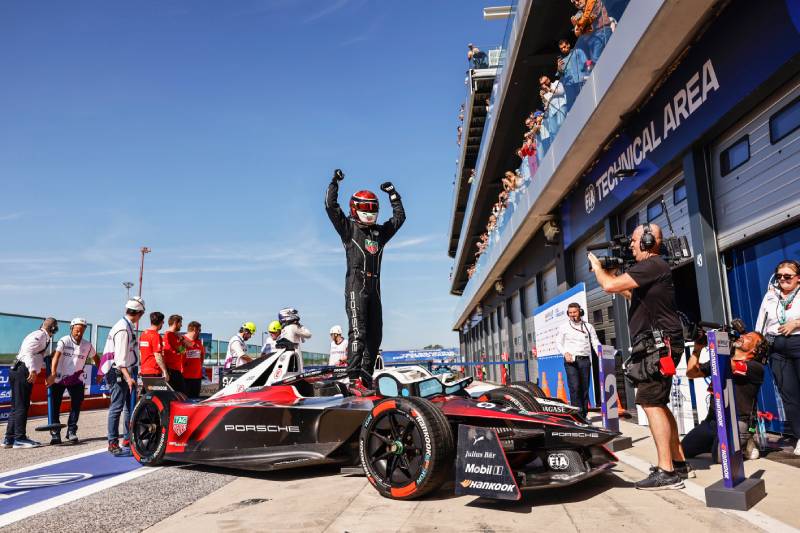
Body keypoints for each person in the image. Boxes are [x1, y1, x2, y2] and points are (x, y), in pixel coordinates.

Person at [588, 223, 688, 490]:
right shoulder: (652, 269)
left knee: (650, 402)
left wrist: (599, 270)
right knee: (660, 403)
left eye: (634, 241)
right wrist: (611, 277)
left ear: (646, 241)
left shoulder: (652, 264)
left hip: (658, 345)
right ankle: (678, 463)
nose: (631, 246)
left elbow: (609, 286)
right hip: (659, 343)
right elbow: (630, 293)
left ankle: (666, 472)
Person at [325, 168, 405, 393]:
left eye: (373, 208)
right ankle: (352, 380)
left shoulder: (380, 233)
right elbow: (331, 207)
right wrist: (335, 183)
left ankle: (366, 378)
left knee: (375, 335)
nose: (370, 212)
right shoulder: (348, 229)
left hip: (375, 290)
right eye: (365, 208)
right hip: (356, 288)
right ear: (355, 208)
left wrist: (394, 196)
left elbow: (399, 219)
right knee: (358, 333)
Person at [682, 331, 766, 461]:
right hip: (713, 421)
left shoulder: (755, 368)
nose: (742, 337)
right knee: (683, 450)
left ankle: (745, 442)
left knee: (722, 459)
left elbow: (730, 366)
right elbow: (691, 373)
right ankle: (717, 442)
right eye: (743, 335)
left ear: (755, 349)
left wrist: (718, 343)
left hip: (737, 421)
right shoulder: (720, 361)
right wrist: (697, 349)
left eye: (748, 338)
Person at [756, 259, 800, 454]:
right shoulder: (770, 296)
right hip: (777, 350)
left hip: (798, 343)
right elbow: (761, 323)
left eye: (788, 276)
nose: (783, 279)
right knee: (789, 396)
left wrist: (797, 323)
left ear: (798, 278)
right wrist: (757, 343)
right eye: (780, 276)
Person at [3, 317, 59, 448]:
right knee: (22, 405)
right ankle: (20, 438)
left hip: (18, 370)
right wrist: (33, 370)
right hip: (23, 370)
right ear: (54, 329)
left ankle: (9, 438)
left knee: (16, 406)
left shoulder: (41, 336)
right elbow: (28, 352)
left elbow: (37, 354)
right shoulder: (40, 335)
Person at [46, 317, 98, 445]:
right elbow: (56, 357)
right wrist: (52, 374)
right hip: (59, 378)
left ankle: (71, 431)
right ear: (71, 328)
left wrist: (100, 372)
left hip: (76, 379)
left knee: (76, 404)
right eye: (77, 330)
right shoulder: (64, 340)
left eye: (82, 330)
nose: (79, 333)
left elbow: (97, 358)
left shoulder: (87, 345)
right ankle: (55, 433)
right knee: (55, 405)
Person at [104, 297, 145, 456]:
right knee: (117, 407)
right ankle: (113, 443)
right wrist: (129, 378)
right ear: (139, 314)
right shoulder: (122, 329)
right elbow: (120, 360)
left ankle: (127, 438)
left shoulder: (125, 326)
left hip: (125, 370)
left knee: (129, 407)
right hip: (119, 372)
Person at [555, 303, 600, 418]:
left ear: (580, 312)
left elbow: (595, 342)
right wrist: (565, 352)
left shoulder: (588, 327)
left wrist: (601, 355)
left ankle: (584, 415)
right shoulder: (563, 327)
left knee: (584, 388)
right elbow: (558, 343)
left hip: (585, 361)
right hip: (571, 362)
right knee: (575, 388)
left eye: (574, 312)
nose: (572, 315)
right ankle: (577, 416)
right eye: (570, 313)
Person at [556, 39, 588, 111]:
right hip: (571, 86)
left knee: (587, 99)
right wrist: (558, 67)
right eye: (561, 49)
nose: (563, 49)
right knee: (579, 105)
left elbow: (586, 63)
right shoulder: (562, 61)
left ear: (568, 45)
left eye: (564, 47)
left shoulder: (577, 51)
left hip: (582, 81)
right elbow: (560, 75)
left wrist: (587, 76)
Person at [163, 314, 189, 394]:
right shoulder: (169, 335)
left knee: (181, 393)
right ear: (175, 323)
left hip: (176, 369)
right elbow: (181, 351)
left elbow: (187, 346)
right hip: (171, 369)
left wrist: (181, 339)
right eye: (180, 323)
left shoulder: (176, 335)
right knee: (181, 393)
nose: (181, 325)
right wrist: (181, 349)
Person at [139, 312, 169, 380]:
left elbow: (141, 352)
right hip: (154, 371)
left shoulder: (143, 334)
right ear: (161, 322)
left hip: (144, 371)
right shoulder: (156, 336)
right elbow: (157, 355)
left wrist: (142, 367)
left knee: (148, 390)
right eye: (163, 322)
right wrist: (164, 371)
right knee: (156, 390)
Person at [183, 321, 205, 399]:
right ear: (195, 329)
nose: (200, 332)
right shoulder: (182, 340)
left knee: (195, 399)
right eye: (199, 330)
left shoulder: (199, 342)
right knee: (185, 400)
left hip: (197, 377)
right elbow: (179, 353)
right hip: (185, 377)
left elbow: (202, 355)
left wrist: (199, 367)